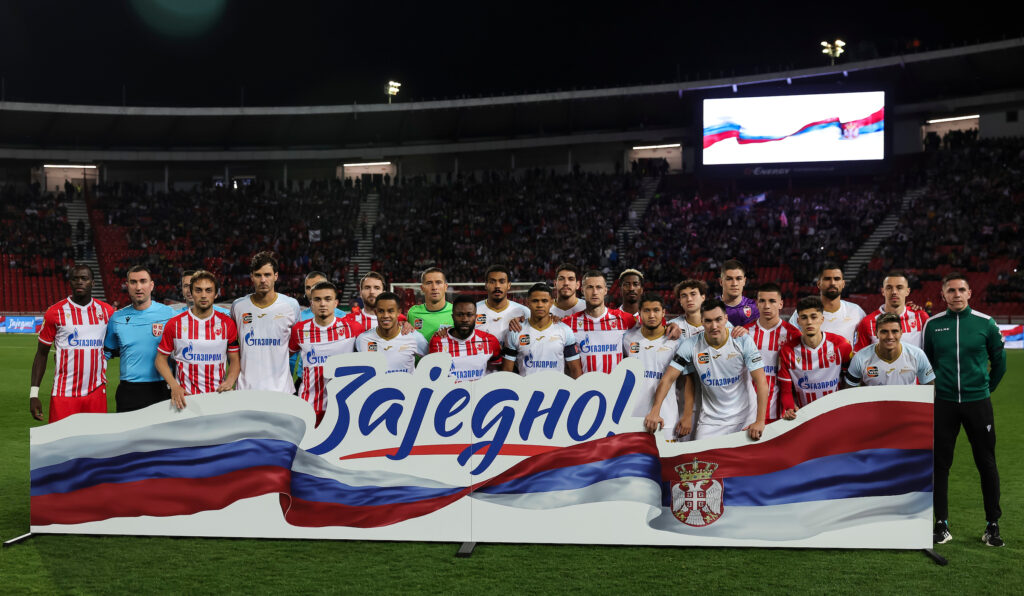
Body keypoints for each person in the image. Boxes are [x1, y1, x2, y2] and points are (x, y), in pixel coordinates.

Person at [924, 273, 1007, 547]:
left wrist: (984, 389)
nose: (956, 294)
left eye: (961, 290)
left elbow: (1000, 362)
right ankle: (941, 524)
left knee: (986, 463)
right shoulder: (933, 325)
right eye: (951, 290)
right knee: (940, 464)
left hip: (978, 403)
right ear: (943, 295)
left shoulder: (986, 323)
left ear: (970, 293)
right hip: (944, 404)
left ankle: (992, 525)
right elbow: (927, 364)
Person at [644, 298, 769, 441]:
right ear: (702, 321)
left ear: (726, 319)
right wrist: (655, 411)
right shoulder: (691, 345)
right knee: (701, 455)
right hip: (711, 421)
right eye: (708, 321)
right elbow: (668, 378)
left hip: (745, 417)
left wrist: (760, 421)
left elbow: (761, 382)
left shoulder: (743, 340)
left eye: (718, 319)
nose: (714, 326)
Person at [29, 265, 114, 422]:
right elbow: (41, 354)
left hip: (96, 393)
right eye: (75, 279)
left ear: (93, 283)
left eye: (84, 278)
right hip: (64, 393)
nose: (79, 282)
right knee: (61, 439)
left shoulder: (107, 312)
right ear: (70, 282)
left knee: (96, 438)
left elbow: (115, 345)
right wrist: (34, 395)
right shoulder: (55, 312)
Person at [155, 270, 240, 410]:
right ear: (191, 292)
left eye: (208, 290)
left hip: (218, 398)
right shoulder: (175, 324)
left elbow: (235, 359)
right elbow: (160, 359)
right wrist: (174, 386)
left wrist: (229, 381)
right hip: (185, 401)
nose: (203, 295)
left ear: (216, 294)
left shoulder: (227, 324)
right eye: (198, 290)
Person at [288, 281, 363, 426]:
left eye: (328, 299)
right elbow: (282, 357)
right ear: (311, 303)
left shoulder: (352, 328)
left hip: (344, 406)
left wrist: (403, 323)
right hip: (309, 406)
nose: (322, 304)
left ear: (336, 303)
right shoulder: (299, 330)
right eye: (317, 299)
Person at [103, 265, 176, 412]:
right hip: (129, 391)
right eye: (133, 282)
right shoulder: (117, 318)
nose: (138, 287)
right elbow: (106, 353)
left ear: (151, 285)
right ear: (127, 285)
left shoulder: (170, 314)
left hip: (162, 388)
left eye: (143, 281)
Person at [230, 251, 301, 394]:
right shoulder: (238, 306)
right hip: (246, 391)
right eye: (258, 275)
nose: (263, 280)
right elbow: (232, 345)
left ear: (276, 276)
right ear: (251, 277)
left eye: (267, 275)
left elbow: (294, 344)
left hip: (281, 390)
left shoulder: (291, 306)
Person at [623, 293, 683, 441]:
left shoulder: (677, 342)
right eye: (647, 310)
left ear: (663, 312)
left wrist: (687, 414)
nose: (651, 315)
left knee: (665, 456)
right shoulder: (627, 338)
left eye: (656, 310)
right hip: (633, 417)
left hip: (666, 417)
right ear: (640, 313)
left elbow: (687, 379)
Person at [778, 296, 853, 411]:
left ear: (822, 319)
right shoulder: (787, 351)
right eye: (804, 317)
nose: (809, 322)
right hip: (805, 415)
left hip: (836, 412)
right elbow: (786, 391)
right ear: (798, 321)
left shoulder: (841, 345)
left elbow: (851, 382)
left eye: (814, 317)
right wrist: (789, 407)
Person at [744, 282, 801, 424]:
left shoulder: (793, 334)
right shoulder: (745, 333)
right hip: (746, 410)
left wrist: (792, 401)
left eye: (772, 301)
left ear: (780, 304)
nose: (767, 306)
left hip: (781, 411)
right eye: (762, 301)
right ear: (756, 304)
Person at [502, 283, 582, 378]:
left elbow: (575, 370)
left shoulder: (564, 330)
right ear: (528, 302)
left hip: (556, 387)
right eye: (535, 301)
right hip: (526, 387)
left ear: (551, 302)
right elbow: (507, 372)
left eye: (544, 301)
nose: (540, 305)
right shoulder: (515, 331)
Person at [563, 270, 636, 374]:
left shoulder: (624, 319)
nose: (595, 292)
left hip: (616, 384)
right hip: (584, 384)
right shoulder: (568, 323)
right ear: (582, 290)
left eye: (599, 287)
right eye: (590, 287)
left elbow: (650, 330)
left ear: (605, 290)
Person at [844, 312, 935, 388]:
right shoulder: (860, 358)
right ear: (876, 333)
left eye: (894, 331)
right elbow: (849, 391)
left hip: (906, 404)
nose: (890, 337)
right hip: (874, 405)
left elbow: (929, 391)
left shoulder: (917, 355)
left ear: (901, 333)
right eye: (884, 332)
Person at [429, 294, 502, 383]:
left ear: (475, 317)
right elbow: (433, 377)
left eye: (469, 315)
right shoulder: (437, 342)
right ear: (453, 317)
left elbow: (499, 370)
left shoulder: (489, 341)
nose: (464, 319)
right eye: (459, 315)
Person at [290, 270, 349, 378]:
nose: (311, 291)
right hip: (307, 379)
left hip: (337, 378)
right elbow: (293, 353)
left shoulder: (343, 317)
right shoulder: (299, 317)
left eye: (316, 286)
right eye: (308, 288)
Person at [789, 263, 865, 345]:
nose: (832, 283)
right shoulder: (803, 312)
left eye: (837, 279)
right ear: (819, 284)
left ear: (843, 284)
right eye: (827, 279)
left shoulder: (856, 312)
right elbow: (792, 344)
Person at [355, 291, 428, 374]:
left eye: (390, 311)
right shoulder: (362, 339)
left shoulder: (415, 337)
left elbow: (431, 361)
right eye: (381, 311)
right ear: (375, 312)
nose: (385, 315)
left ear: (398, 312)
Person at [854, 271, 929, 350]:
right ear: (883, 291)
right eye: (889, 288)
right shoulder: (867, 323)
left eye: (899, 287)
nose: (894, 292)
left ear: (907, 291)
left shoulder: (921, 317)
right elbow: (860, 355)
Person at [474, 265, 529, 344]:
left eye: (502, 282)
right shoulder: (474, 310)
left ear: (509, 285)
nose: (497, 286)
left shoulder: (524, 312)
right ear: (486, 285)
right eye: (492, 282)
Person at [407, 267, 453, 341]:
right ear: (422, 288)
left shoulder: (456, 312)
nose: (434, 287)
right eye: (429, 283)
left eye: (438, 282)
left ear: (445, 287)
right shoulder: (413, 313)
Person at [719, 259, 758, 327]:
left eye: (738, 279)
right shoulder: (710, 307)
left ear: (744, 281)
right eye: (729, 279)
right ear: (721, 281)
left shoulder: (755, 307)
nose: (734, 284)